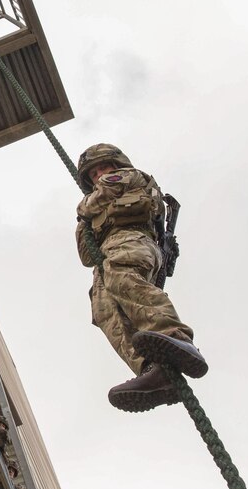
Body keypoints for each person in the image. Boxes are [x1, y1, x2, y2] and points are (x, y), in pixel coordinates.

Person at [75, 143, 207, 413]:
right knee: (104, 311)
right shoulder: (92, 209)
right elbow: (86, 255)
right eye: (93, 174)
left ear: (116, 165)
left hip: (132, 241)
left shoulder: (130, 177)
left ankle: (175, 335)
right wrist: (85, 221)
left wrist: (87, 211)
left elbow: (97, 198)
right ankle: (153, 370)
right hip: (106, 259)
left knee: (123, 276)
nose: (99, 175)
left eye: (103, 168)